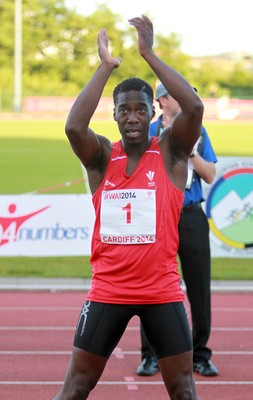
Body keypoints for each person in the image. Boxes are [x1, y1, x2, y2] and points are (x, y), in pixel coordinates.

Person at [54, 15, 204, 400]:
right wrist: (105, 67)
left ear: (152, 113)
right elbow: (74, 128)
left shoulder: (171, 151)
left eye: (140, 109)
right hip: (108, 290)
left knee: (184, 391)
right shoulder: (102, 157)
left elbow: (193, 106)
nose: (133, 117)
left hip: (162, 292)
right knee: (75, 388)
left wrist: (147, 53)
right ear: (116, 115)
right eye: (125, 110)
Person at [136, 83, 218, 378]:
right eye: (179, 94)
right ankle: (150, 355)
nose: (188, 98)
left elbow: (210, 175)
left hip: (191, 215)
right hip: (157, 218)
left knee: (199, 288)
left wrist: (191, 152)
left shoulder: (199, 130)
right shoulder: (147, 131)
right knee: (150, 287)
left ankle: (201, 354)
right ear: (162, 100)